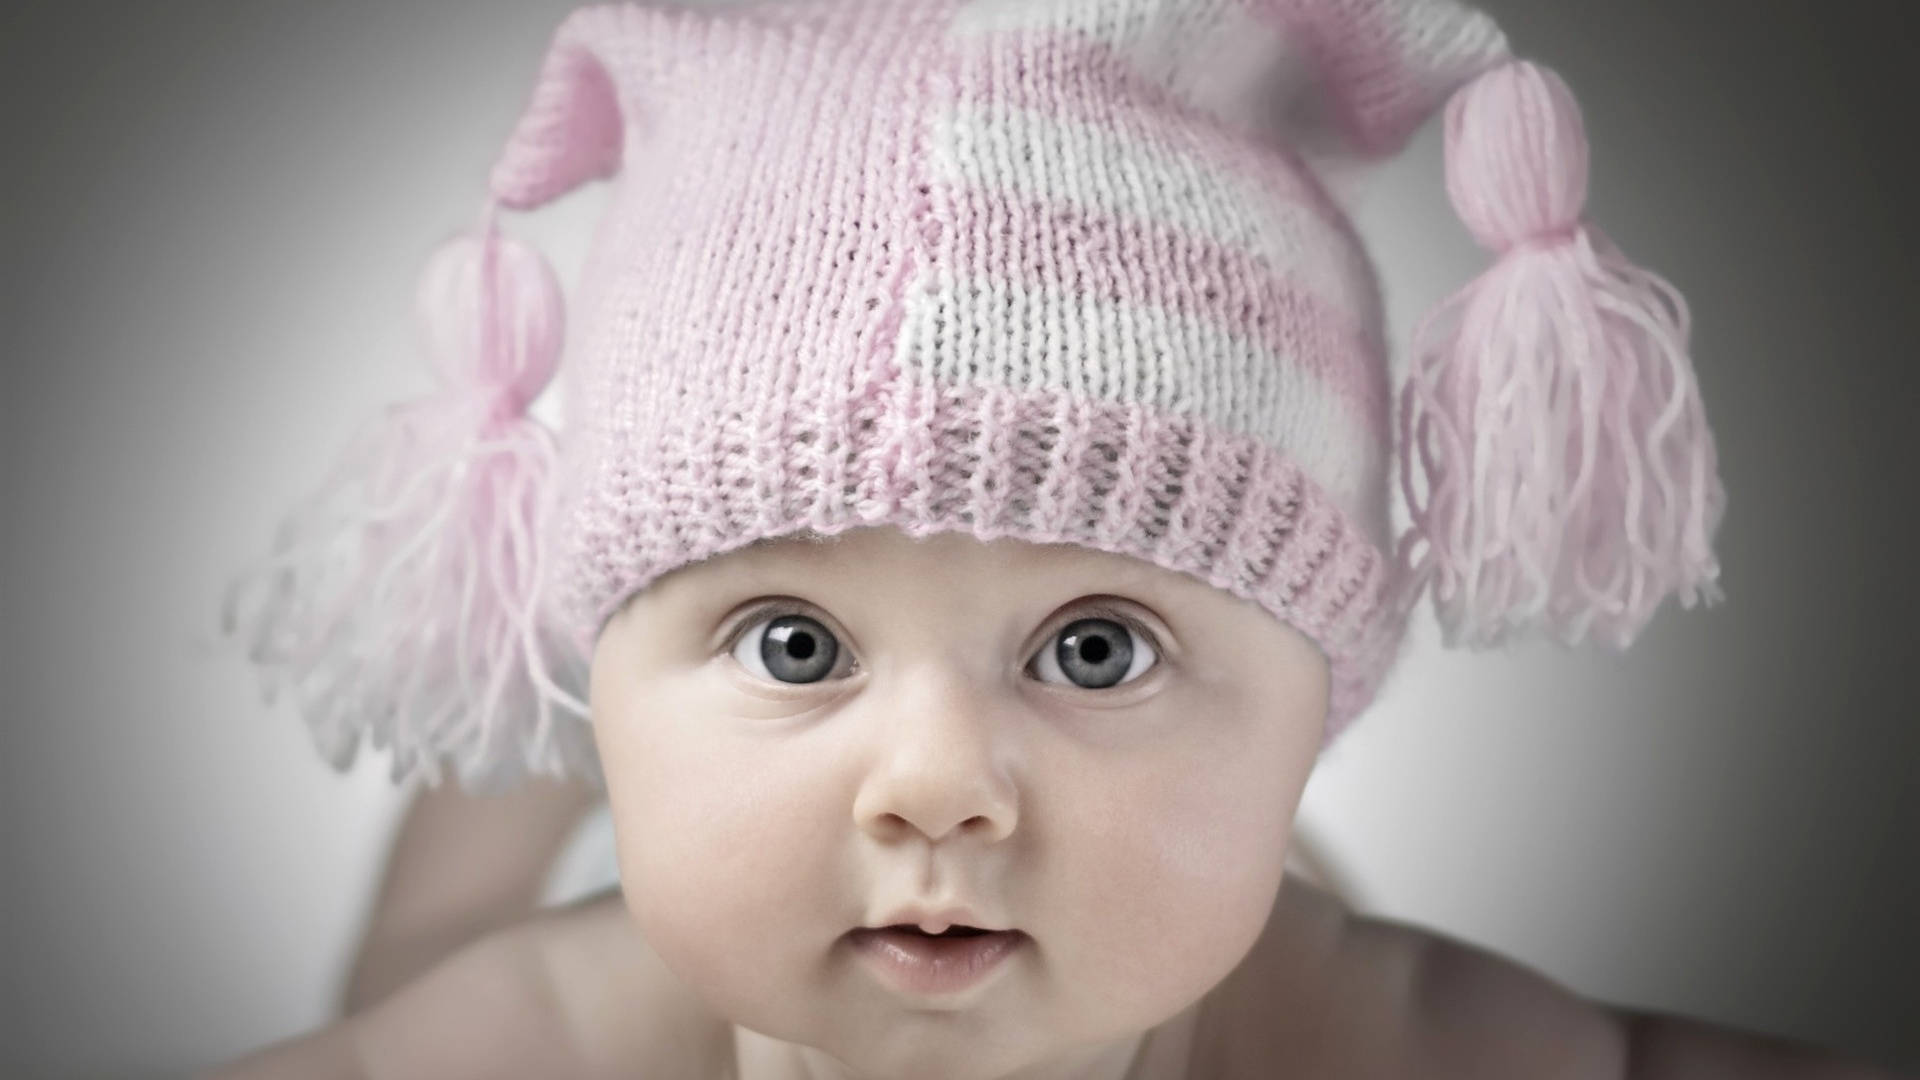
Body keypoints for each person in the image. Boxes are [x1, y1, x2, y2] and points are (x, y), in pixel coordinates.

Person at [205, 0, 1905, 1075]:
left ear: (1324, 707)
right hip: (572, 929)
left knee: (1231, 907)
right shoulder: (541, 1041)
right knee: (438, 943)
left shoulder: (1360, 1034)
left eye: (1098, 644)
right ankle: (550, 767)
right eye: (794, 638)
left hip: (1213, 916)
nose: (936, 782)